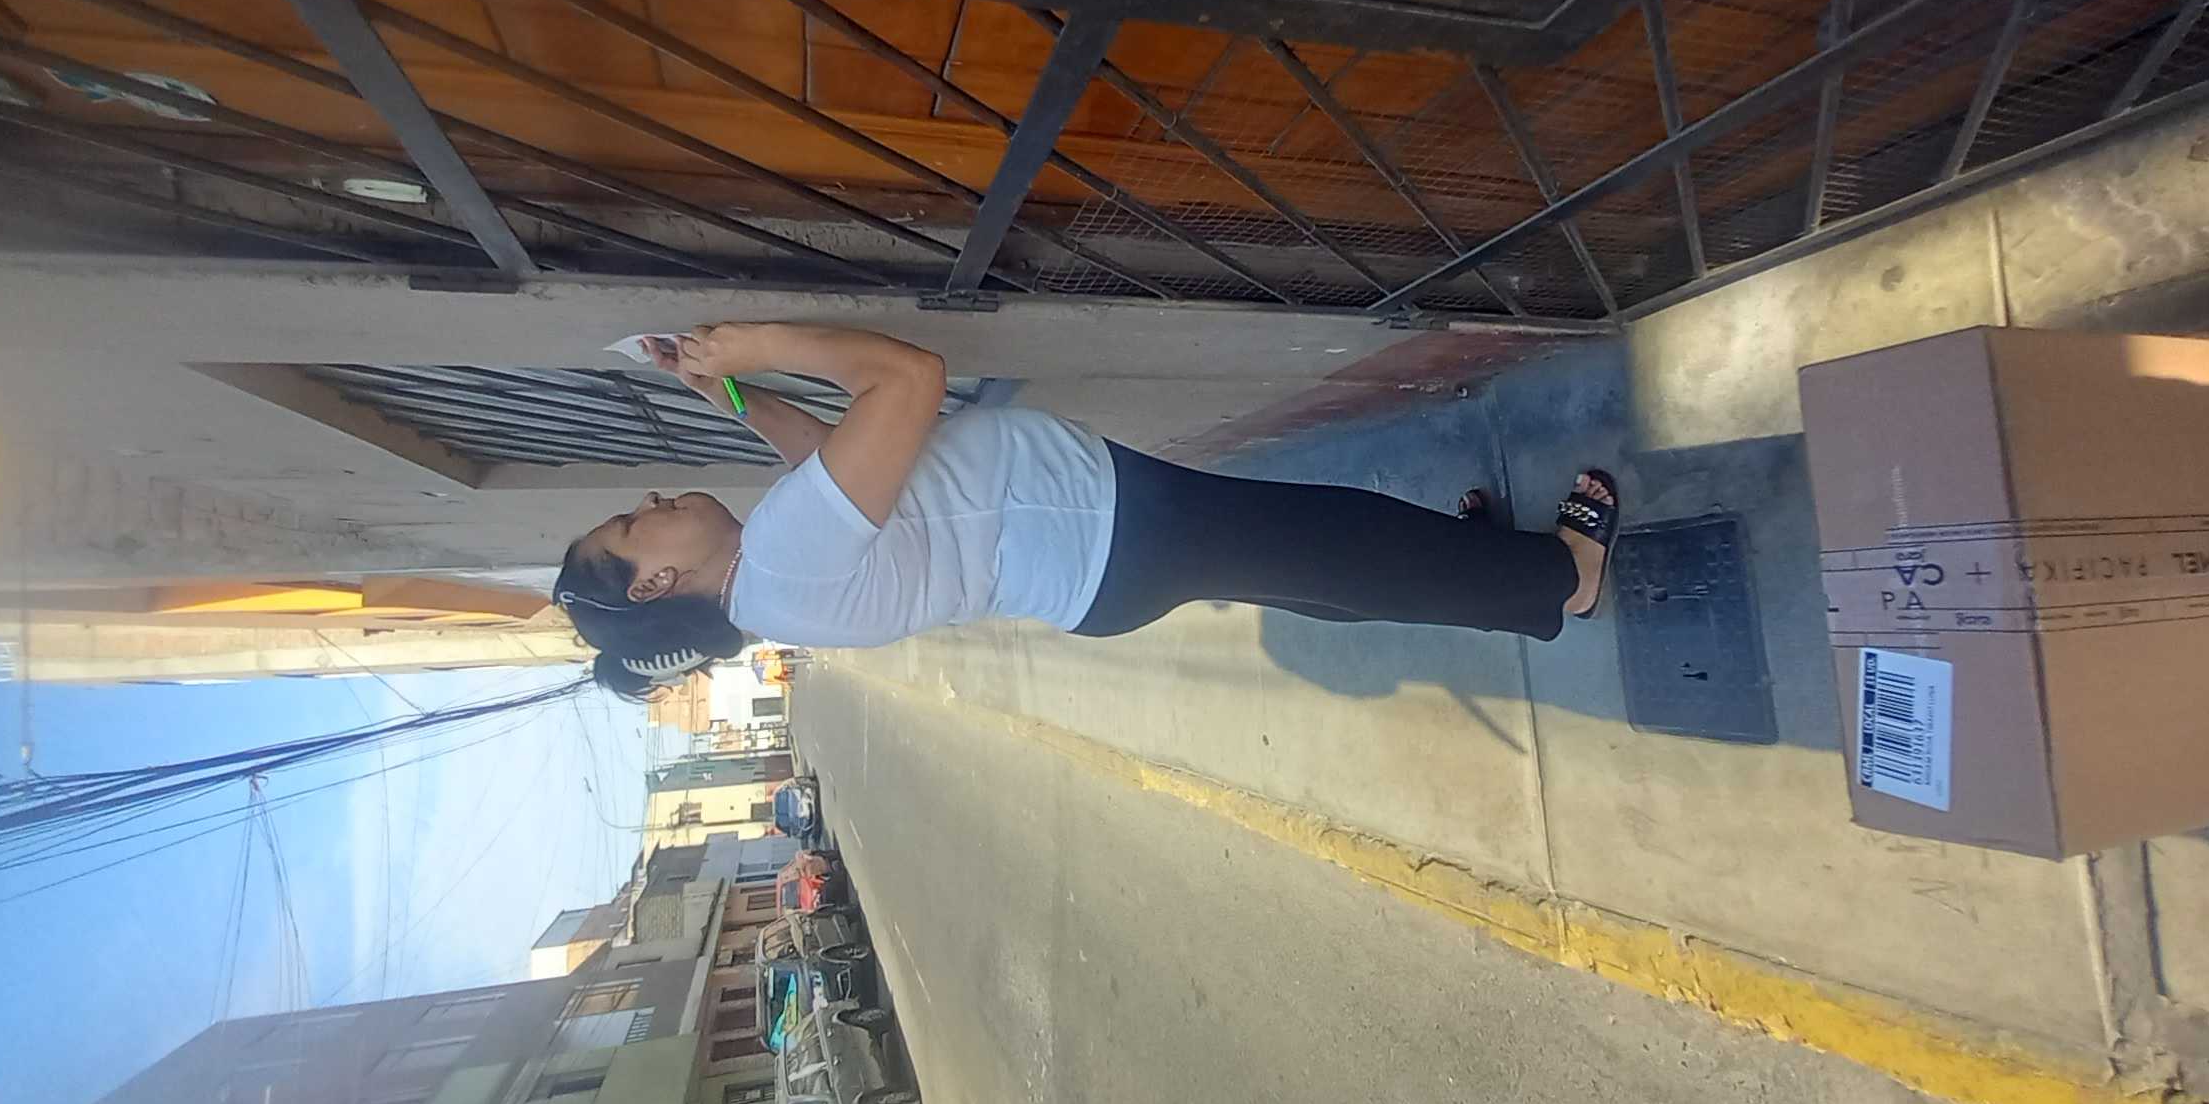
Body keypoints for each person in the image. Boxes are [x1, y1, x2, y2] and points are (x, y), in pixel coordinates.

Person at [553, 322, 1618, 699]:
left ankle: (1485, 570)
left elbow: (820, 460)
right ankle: (1557, 581)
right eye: (631, 528)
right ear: (655, 584)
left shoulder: (776, 580)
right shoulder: (783, 559)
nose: (648, 504)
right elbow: (908, 380)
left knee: (1322, 568)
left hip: (1103, 552)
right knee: (1341, 546)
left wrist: (731, 393)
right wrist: (760, 341)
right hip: (1110, 534)